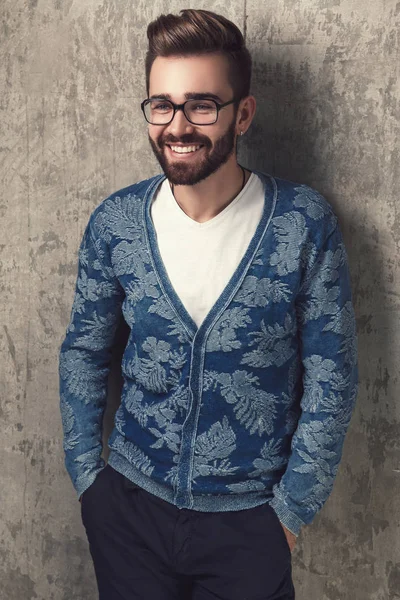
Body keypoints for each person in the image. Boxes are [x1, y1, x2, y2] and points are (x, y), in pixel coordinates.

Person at [59, 8, 358, 600]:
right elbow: (84, 350)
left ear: (242, 113)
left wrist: (289, 515)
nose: (178, 126)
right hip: (127, 512)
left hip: (250, 526)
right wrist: (88, 480)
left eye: (202, 105)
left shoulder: (303, 223)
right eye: (162, 105)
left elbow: (333, 374)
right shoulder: (117, 222)